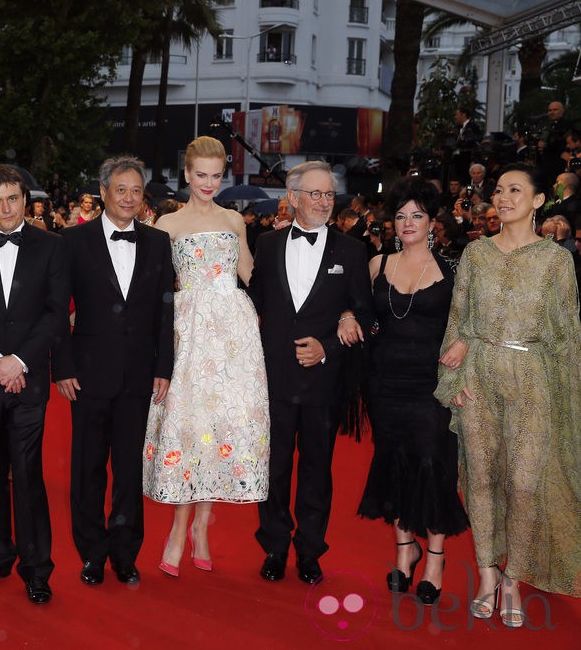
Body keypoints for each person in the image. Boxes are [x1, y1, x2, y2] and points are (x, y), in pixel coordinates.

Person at [435, 163, 581, 627]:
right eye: (499, 190)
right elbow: (457, 321)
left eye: (515, 190)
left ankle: (514, 576)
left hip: (534, 380)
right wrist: (454, 378)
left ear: (538, 201)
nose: (503, 197)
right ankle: (486, 574)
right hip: (479, 376)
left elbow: (567, 336)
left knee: (522, 482)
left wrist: (569, 399)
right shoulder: (476, 253)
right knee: (480, 477)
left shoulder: (556, 261)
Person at [142, 136, 270, 577]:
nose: (209, 183)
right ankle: (179, 530)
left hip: (233, 332)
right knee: (191, 426)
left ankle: (200, 527)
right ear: (187, 173)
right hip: (189, 331)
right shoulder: (167, 224)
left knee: (218, 429)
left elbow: (250, 272)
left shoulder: (235, 220)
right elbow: (151, 285)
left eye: (217, 176)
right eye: (201, 175)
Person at [248, 160, 373, 586]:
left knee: (318, 470)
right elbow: (255, 305)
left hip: (324, 380)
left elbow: (365, 314)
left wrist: (330, 345)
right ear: (293, 198)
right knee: (275, 467)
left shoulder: (353, 251)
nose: (323, 202)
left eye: (328, 194)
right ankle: (275, 546)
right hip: (275, 378)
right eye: (315, 194)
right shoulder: (266, 244)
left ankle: (309, 551)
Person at [53, 156, 175, 586]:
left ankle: (125, 552)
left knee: (128, 470)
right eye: (120, 189)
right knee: (87, 469)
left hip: (139, 375)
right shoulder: (72, 241)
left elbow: (166, 311)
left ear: (144, 198)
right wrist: (62, 366)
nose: (128, 197)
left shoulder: (159, 243)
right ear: (103, 193)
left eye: (136, 190)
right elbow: (56, 310)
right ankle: (91, 553)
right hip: (86, 375)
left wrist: (164, 367)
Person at [348, 177, 469, 605]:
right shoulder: (378, 265)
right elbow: (355, 305)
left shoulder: (454, 269)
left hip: (433, 388)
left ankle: (435, 558)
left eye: (417, 215)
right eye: (400, 216)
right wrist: (347, 314)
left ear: (432, 221)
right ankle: (405, 552)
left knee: (433, 466)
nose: (407, 222)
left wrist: (465, 342)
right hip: (384, 385)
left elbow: (474, 320)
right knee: (395, 464)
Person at [0, 165, 69, 604]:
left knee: (27, 475)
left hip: (29, 380)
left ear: (26, 199)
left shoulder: (52, 247)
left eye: (12, 199)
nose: (5, 209)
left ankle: (37, 568)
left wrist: (19, 360)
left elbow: (56, 312)